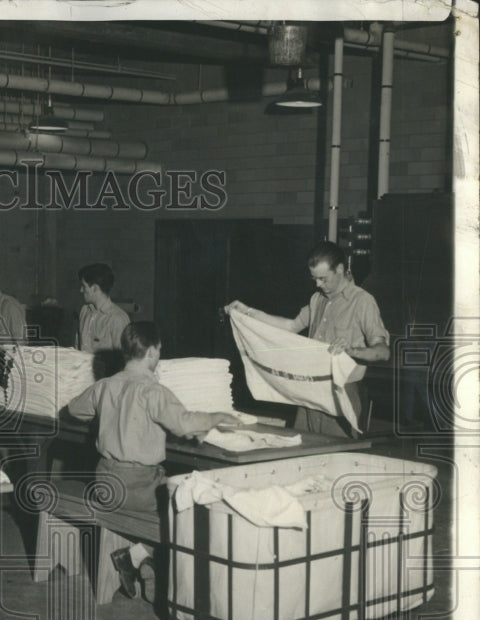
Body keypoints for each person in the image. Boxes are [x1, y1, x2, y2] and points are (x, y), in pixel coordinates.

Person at [67, 321, 240, 601]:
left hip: (105, 484)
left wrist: (107, 416)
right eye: (159, 350)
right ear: (150, 352)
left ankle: (141, 560)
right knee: (192, 516)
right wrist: (215, 417)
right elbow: (184, 424)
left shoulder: (105, 385)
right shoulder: (153, 391)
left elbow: (75, 409)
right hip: (139, 487)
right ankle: (139, 556)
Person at [225, 240, 390, 438]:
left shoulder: (362, 301)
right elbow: (290, 326)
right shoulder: (317, 299)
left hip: (341, 395)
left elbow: (383, 352)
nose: (318, 284)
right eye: (315, 279)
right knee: (301, 453)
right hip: (309, 393)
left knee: (335, 459)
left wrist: (351, 351)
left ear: (339, 269)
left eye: (323, 278)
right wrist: (247, 311)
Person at [76, 263, 130, 353]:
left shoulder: (118, 319)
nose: (81, 290)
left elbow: (124, 360)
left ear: (95, 288)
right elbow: (77, 347)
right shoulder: (84, 311)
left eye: (84, 286)